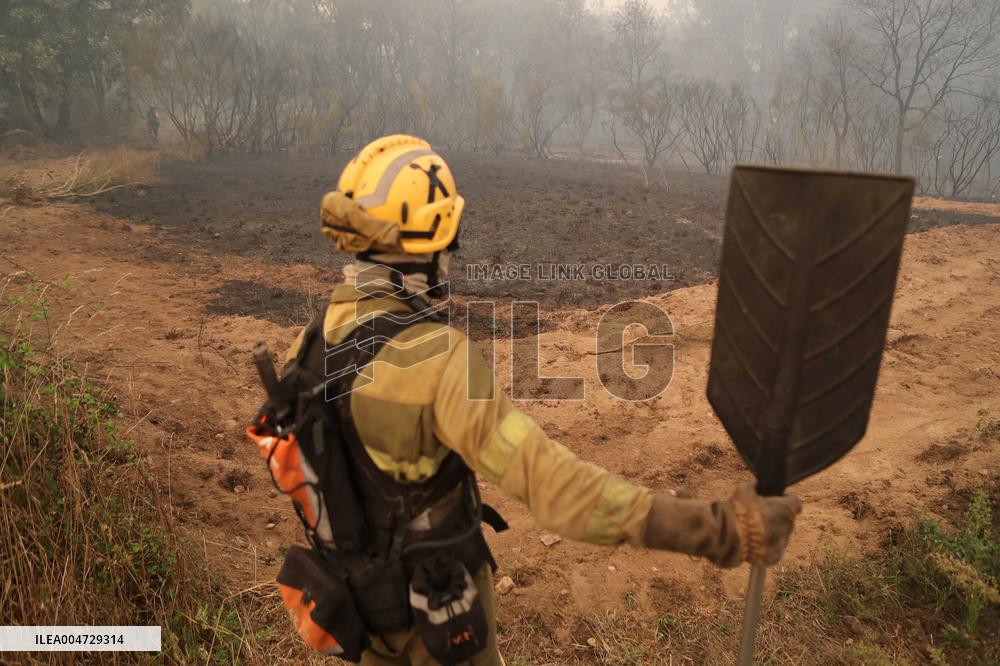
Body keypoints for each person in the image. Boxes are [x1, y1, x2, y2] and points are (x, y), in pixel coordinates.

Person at [251, 135, 801, 666]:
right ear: (429, 245)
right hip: (439, 625)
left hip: (366, 619)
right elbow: (553, 486)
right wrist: (719, 529)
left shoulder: (314, 340)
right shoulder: (439, 359)